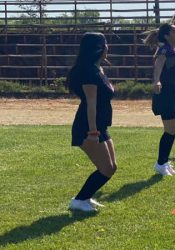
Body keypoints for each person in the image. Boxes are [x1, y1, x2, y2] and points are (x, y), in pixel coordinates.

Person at [67, 32, 117, 212]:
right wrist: (93, 132)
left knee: (111, 168)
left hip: (100, 125)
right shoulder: (89, 72)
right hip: (88, 127)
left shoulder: (98, 69)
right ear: (99, 48)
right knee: (105, 168)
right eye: (105, 43)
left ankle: (84, 198)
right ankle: (79, 200)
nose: (108, 47)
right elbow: (91, 104)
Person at [143, 23, 175, 176]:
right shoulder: (164, 49)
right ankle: (160, 163)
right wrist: (156, 81)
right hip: (165, 93)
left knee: (174, 129)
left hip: (173, 92)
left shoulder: (173, 49)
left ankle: (164, 161)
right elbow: (158, 64)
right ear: (166, 35)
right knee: (170, 130)